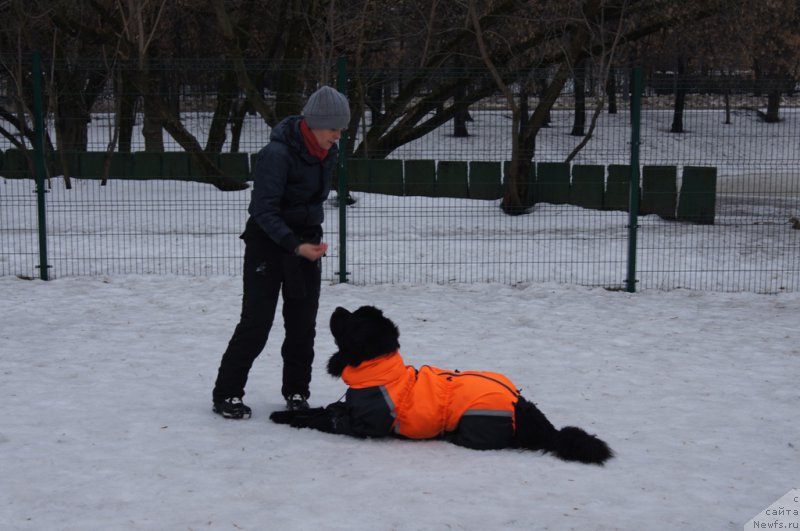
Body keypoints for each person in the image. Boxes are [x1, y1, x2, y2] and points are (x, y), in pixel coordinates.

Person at [212, 85, 350, 419]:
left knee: (302, 325)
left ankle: (297, 391)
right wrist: (294, 245)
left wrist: (310, 239)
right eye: (334, 128)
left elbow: (311, 203)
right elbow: (264, 210)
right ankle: (227, 394)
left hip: (304, 245)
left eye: (341, 129)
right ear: (314, 124)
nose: (338, 135)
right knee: (257, 322)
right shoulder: (277, 154)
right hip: (268, 245)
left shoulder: (326, 153)